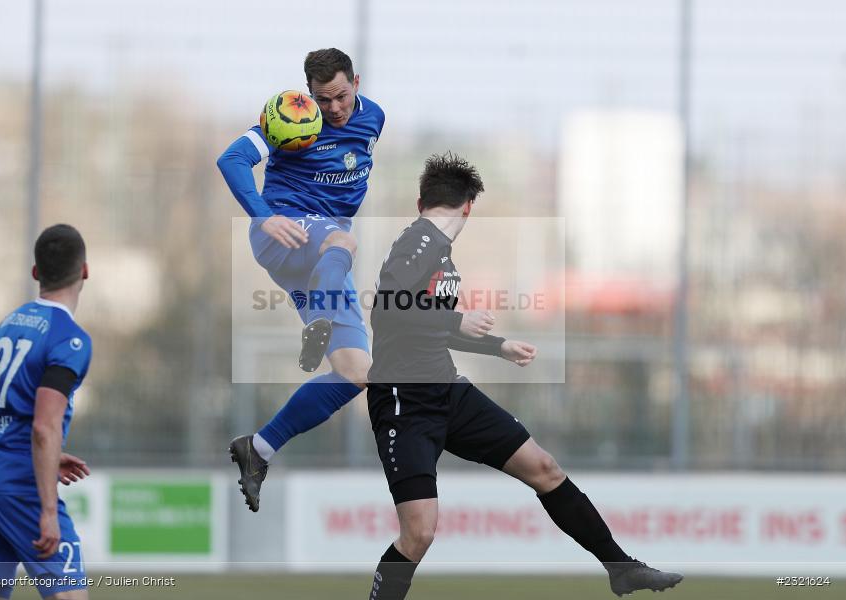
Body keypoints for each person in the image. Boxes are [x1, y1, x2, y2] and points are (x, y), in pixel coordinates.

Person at [365, 153, 684, 599]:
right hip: (406, 401)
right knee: (418, 533)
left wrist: (497, 346)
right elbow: (388, 309)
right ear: (470, 207)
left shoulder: (439, 252)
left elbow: (423, 325)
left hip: (448, 390)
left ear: (421, 200)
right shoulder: (419, 241)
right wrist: (456, 322)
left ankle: (621, 568)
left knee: (544, 468)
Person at [218, 48, 385, 511]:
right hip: (286, 233)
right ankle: (317, 325)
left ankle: (259, 449)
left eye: (340, 96)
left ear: (356, 80)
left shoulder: (374, 118)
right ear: (307, 93)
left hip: (318, 256)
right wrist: (263, 215)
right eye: (321, 98)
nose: (332, 108)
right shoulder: (290, 117)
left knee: (356, 373)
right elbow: (231, 160)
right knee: (345, 244)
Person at [0, 224, 92, 599]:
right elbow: (42, 427)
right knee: (69, 596)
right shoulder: (69, 339)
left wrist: (47, 456)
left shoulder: (7, 326)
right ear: (84, 270)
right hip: (22, 489)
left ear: (36, 272)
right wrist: (48, 511)